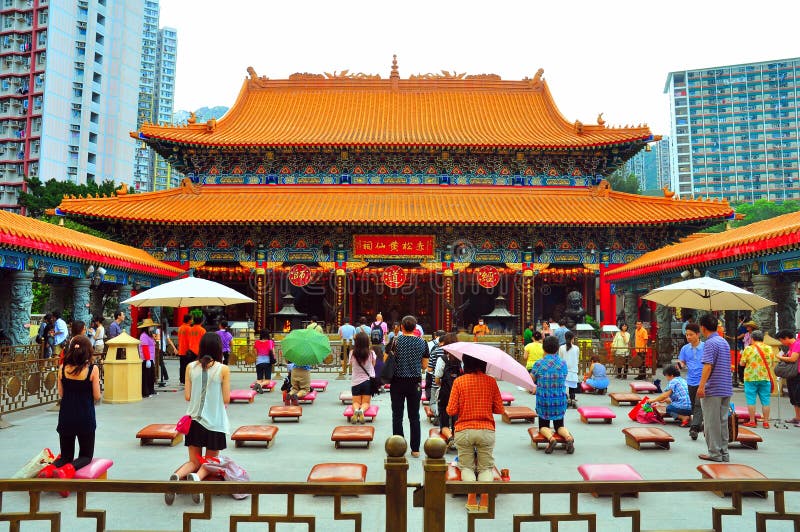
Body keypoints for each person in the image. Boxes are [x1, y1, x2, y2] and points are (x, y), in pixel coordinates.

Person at [166, 332, 230, 505]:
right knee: (210, 462)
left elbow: (187, 396)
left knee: (193, 461)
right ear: (218, 349)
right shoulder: (223, 369)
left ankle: (177, 476)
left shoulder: (190, 367)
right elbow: (226, 399)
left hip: (194, 421)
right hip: (215, 423)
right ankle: (197, 478)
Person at [37, 335, 101, 491]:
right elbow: (97, 396)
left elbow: (61, 394)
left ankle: (47, 470)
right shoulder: (92, 370)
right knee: (85, 456)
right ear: (88, 351)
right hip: (85, 417)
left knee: (65, 456)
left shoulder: (62, 368)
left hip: (66, 416)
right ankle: (66, 471)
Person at [446, 353, 504, 511]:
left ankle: (471, 498)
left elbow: (451, 410)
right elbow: (499, 409)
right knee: (486, 468)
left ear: (465, 364)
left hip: (464, 430)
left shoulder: (459, 381)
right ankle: (484, 500)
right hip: (486, 430)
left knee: (466, 467)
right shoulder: (491, 381)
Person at [387, 315, 429, 457]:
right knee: (414, 416)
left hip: (397, 381)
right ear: (415, 327)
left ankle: (398, 447)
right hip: (414, 382)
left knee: (397, 415)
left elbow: (387, 359)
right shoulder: (422, 343)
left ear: (402, 327)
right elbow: (424, 366)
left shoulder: (395, 340)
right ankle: (415, 449)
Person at [696, 314, 733, 462]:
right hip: (726, 387)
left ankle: (714, 453)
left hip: (713, 388)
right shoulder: (723, 341)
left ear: (702, 328)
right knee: (722, 421)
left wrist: (701, 386)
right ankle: (724, 453)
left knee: (711, 423)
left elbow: (707, 366)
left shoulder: (710, 343)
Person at [531, 336, 574, 454]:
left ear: (543, 348)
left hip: (544, 400)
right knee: (559, 425)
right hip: (559, 399)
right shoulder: (563, 363)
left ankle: (551, 439)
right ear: (557, 349)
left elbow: (532, 379)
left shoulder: (539, 364)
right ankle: (568, 438)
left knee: (543, 426)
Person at [739, 330, 776, 428]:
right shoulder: (769, 348)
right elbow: (772, 363)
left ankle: (752, 421)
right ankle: (766, 422)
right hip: (765, 377)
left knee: (751, 400)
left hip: (750, 378)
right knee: (766, 400)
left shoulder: (748, 349)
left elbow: (742, 364)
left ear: (752, 338)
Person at [677, 322, 705, 440]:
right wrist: (680, 365)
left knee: (699, 404)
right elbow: (682, 362)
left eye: (691, 334)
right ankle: (700, 424)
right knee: (694, 405)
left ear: (698, 334)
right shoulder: (685, 348)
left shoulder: (705, 347)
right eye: (687, 335)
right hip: (691, 380)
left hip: (703, 380)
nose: (688, 337)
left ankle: (694, 428)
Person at [434, 332, 460, 445]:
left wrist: (444, 385)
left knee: (444, 421)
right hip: (459, 394)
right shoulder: (461, 360)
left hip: (445, 394)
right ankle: (457, 436)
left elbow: (437, 380)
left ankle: (450, 438)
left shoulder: (442, 359)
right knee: (457, 419)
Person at [348, 331, 376, 424]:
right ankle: (362, 411)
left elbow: (350, 364)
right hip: (367, 381)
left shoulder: (352, 353)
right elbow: (373, 365)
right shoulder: (371, 353)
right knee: (366, 403)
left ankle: (356, 410)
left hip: (356, 381)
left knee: (356, 402)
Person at [775, 329, 800, 427]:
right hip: (792, 374)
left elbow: (793, 358)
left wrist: (779, 357)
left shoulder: (797, 344)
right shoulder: (791, 346)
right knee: (794, 397)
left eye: (781, 340)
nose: (781, 342)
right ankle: (797, 417)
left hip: (798, 373)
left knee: (798, 396)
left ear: (786, 338)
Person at [559, 331, 580, 408]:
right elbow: (577, 359)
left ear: (565, 338)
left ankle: (566, 400)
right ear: (572, 338)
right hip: (573, 370)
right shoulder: (576, 348)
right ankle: (573, 400)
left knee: (563, 387)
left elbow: (560, 359)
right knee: (572, 387)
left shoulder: (561, 348)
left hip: (564, 371)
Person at [138, 318, 158, 398]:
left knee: (151, 376)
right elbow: (145, 348)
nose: (152, 328)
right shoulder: (143, 336)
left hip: (150, 358)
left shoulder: (149, 335)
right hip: (146, 359)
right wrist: (148, 359)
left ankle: (151, 390)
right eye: (150, 326)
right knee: (146, 376)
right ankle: (145, 392)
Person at [177, 315, 192, 386]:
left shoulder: (180, 328)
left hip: (181, 350)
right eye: (191, 319)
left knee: (182, 366)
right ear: (189, 320)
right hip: (187, 350)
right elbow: (190, 340)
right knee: (187, 366)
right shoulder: (189, 328)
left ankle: (181, 380)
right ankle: (186, 380)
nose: (192, 321)